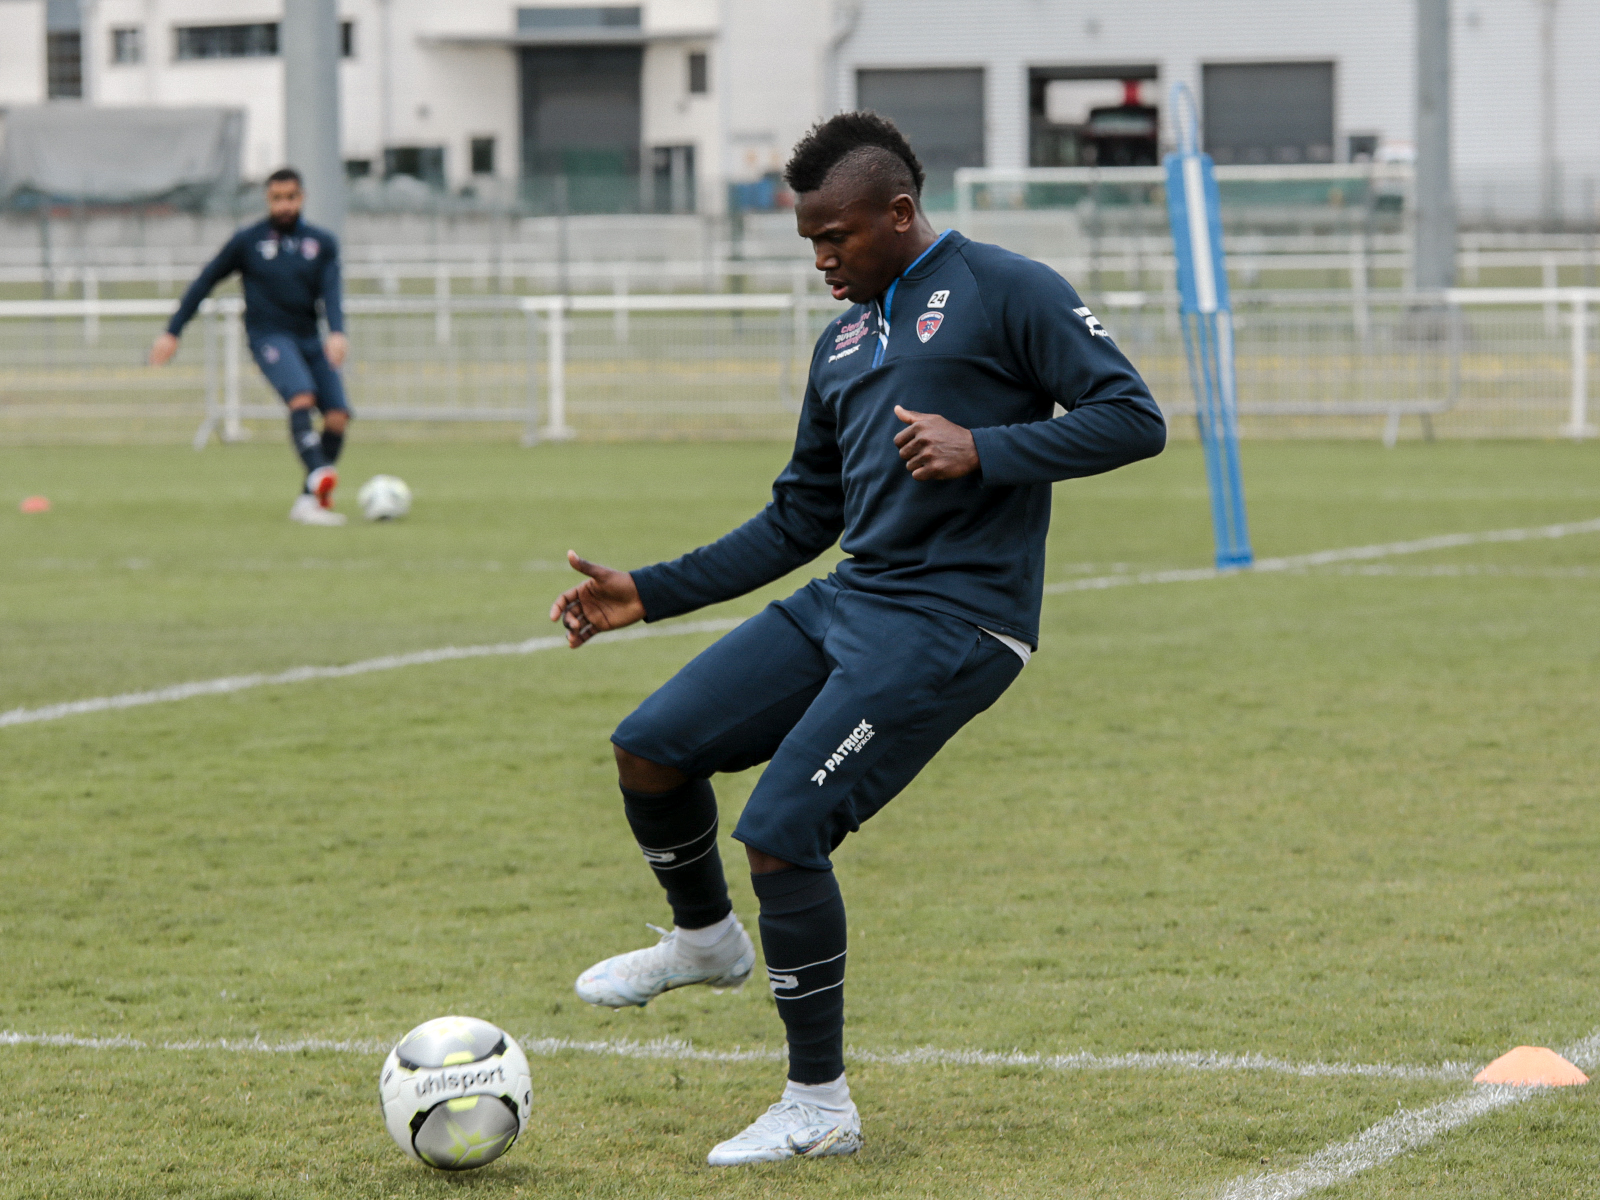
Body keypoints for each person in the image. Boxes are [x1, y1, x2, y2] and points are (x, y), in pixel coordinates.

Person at [548, 112, 1167, 1167]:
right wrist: (645, 593)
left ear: (899, 211)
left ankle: (818, 1106)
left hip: (956, 623)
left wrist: (987, 447)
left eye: (837, 237)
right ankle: (703, 941)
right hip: (852, 601)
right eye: (809, 243)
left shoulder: (1005, 287)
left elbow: (1132, 416)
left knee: (781, 829)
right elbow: (800, 517)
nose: (823, 260)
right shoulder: (840, 341)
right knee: (649, 749)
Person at [151, 167, 352, 525]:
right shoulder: (248, 242)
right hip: (269, 338)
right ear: (267, 199)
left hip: (309, 338)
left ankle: (309, 501)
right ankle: (320, 471)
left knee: (337, 415)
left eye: (291, 198)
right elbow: (205, 281)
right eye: (277, 198)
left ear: (302, 198)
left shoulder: (322, 243)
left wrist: (337, 332)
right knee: (301, 397)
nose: (285, 205)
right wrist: (173, 331)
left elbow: (332, 293)